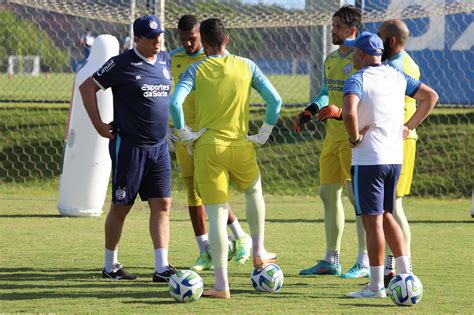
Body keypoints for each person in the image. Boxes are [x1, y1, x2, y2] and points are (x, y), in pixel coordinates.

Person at [168, 18, 282, 298]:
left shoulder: (197, 68)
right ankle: (259, 250)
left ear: (204, 45)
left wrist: (184, 133)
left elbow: (174, 103)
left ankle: (221, 285)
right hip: (241, 145)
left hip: (208, 149)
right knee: (254, 192)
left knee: (217, 215)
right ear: (227, 40)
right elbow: (275, 101)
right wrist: (264, 132)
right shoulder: (247, 66)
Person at [79, 15, 176, 282]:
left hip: (159, 148)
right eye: (151, 37)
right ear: (137, 39)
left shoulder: (166, 60)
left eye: (160, 36)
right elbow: (87, 88)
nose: (157, 40)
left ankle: (162, 268)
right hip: (130, 147)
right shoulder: (121, 64)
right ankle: (110, 266)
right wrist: (99, 124)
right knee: (122, 206)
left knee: (163, 204)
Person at [341, 32, 438, 298]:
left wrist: (354, 137)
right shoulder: (397, 76)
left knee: (372, 223)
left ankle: (375, 286)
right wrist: (408, 127)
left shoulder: (357, 78)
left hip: (369, 159)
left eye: (353, 51)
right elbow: (430, 97)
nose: (351, 55)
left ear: (361, 54)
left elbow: (349, 112)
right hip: (394, 158)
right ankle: (406, 273)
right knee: (387, 215)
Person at [168, 14, 252, 272]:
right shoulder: (173, 58)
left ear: (201, 37)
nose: (188, 44)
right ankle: (205, 250)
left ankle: (240, 237)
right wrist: (173, 128)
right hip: (183, 137)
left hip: (208, 135)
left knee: (211, 192)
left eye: (192, 39)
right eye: (183, 40)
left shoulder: (214, 60)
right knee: (192, 193)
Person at [294, 5, 370, 279]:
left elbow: (366, 99)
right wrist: (311, 110)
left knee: (357, 200)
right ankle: (331, 259)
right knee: (328, 194)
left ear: (352, 31)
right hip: (331, 140)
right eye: (332, 25)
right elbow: (327, 90)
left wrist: (342, 114)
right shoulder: (331, 59)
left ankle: (364, 260)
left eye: (337, 26)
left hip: (354, 139)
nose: (332, 30)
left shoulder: (363, 61)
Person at [377, 19, 420, 287]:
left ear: (391, 41)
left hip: (400, 142)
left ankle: (406, 267)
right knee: (387, 208)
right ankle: (393, 266)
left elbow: (429, 98)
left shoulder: (396, 67)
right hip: (391, 141)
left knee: (394, 207)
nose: (376, 40)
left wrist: (407, 127)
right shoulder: (403, 62)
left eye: (380, 36)